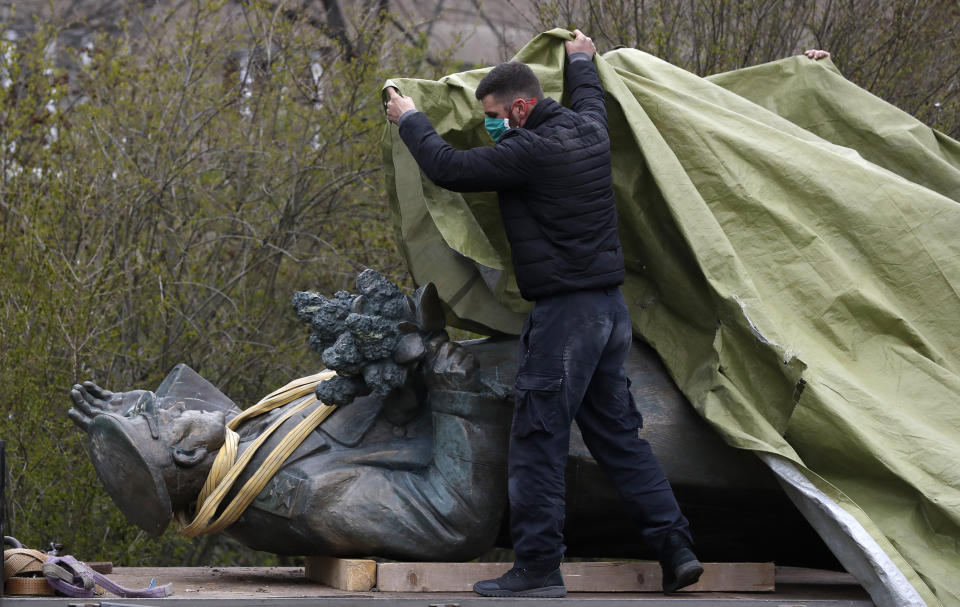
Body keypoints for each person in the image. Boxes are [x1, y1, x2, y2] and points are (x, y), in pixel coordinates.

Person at [385, 30, 701, 597]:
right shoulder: (588, 130)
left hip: (566, 320)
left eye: (495, 116)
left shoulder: (527, 151)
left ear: (522, 107)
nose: (491, 126)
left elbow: (448, 169)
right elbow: (590, 94)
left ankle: (537, 568)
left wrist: (411, 118)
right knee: (619, 439)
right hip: (609, 314)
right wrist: (580, 57)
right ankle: (676, 550)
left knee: (537, 438)